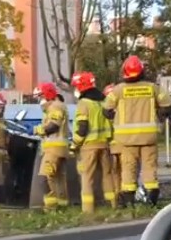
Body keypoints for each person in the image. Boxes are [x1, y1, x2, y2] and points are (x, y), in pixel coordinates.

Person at [103, 55, 171, 207]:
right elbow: (167, 106)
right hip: (149, 137)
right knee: (150, 169)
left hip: (126, 140)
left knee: (128, 170)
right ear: (142, 71)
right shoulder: (152, 87)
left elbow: (107, 110)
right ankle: (152, 200)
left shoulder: (118, 90)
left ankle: (129, 203)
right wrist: (159, 116)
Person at [69, 72, 116, 213]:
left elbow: (82, 128)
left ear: (82, 87)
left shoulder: (84, 104)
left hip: (89, 146)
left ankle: (88, 209)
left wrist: (74, 145)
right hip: (104, 144)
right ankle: (112, 204)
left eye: (76, 87)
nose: (75, 90)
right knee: (107, 176)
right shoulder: (103, 102)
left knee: (87, 177)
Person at [33, 82, 70, 210]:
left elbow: (53, 126)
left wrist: (39, 130)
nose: (39, 100)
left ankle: (51, 206)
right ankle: (62, 206)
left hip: (54, 149)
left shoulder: (55, 107)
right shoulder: (56, 107)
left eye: (40, 97)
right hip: (60, 149)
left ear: (47, 95)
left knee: (44, 177)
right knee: (58, 179)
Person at [103, 84, 123, 206]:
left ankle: (117, 199)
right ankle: (120, 197)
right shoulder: (123, 110)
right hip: (122, 146)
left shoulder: (106, 112)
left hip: (113, 146)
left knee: (115, 174)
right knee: (123, 173)